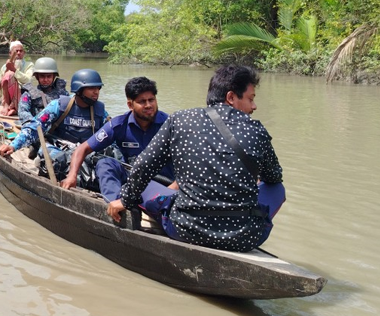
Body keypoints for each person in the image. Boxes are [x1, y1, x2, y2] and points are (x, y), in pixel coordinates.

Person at [113, 65, 285, 252]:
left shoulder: (180, 119)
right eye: (250, 99)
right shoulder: (257, 130)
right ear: (230, 97)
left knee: (145, 185)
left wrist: (125, 200)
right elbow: (274, 178)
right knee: (277, 188)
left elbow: (143, 166)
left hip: (185, 229)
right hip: (244, 238)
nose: (254, 106)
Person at [61, 76, 173, 202]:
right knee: (104, 163)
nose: (148, 105)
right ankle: (116, 205)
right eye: (142, 102)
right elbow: (83, 148)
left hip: (165, 183)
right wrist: (72, 176)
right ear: (130, 105)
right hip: (133, 182)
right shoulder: (119, 125)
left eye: (151, 100)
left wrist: (171, 191)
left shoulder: (171, 125)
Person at [0, 69, 108, 161]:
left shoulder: (99, 111)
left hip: (87, 153)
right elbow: (34, 127)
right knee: (49, 155)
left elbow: (112, 132)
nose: (96, 92)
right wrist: (13, 145)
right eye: (91, 88)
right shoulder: (59, 106)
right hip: (60, 151)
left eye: (98, 88)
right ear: (79, 90)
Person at [17, 57, 68, 124]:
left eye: (49, 76)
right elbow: (23, 110)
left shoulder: (62, 93)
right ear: (37, 77)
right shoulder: (29, 93)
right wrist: (32, 123)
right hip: (37, 127)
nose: (45, 80)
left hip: (58, 129)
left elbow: (70, 108)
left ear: (54, 76)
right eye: (42, 76)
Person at [0, 41, 34, 116]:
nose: (18, 53)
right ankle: (7, 104)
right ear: (10, 53)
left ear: (23, 53)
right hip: (7, 97)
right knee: (7, 75)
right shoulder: (5, 67)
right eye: (16, 51)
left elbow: (28, 80)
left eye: (21, 51)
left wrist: (14, 70)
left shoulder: (29, 65)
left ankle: (14, 107)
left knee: (10, 74)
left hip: (22, 96)